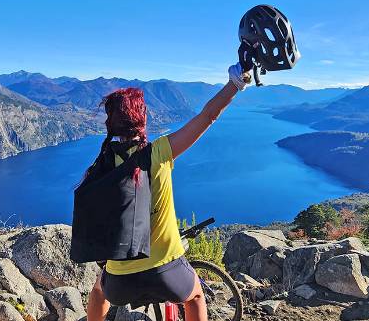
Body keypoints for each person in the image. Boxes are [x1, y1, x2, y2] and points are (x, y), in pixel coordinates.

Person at [85, 61, 252, 321]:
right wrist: (235, 83)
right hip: (167, 274)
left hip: (119, 282)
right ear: (142, 118)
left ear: (111, 123)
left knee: (98, 292)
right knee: (195, 296)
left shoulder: (102, 165)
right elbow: (208, 116)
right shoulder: (160, 152)